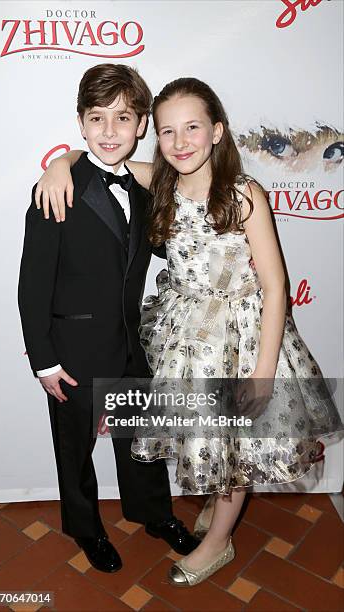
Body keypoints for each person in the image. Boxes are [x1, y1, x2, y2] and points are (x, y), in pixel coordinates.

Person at [35, 77, 343, 587]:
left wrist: (264, 373)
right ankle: (214, 513)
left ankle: (219, 541)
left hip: (241, 337)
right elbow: (99, 161)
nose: (180, 142)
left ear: (217, 131)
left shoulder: (245, 194)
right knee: (209, 440)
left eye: (193, 128)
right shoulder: (161, 184)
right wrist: (58, 162)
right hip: (184, 334)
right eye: (168, 131)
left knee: (236, 440)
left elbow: (275, 285)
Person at [18, 64, 198, 575]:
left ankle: (154, 515)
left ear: (142, 124)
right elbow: (32, 283)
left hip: (129, 344)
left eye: (123, 118)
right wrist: (44, 362)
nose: (110, 131)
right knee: (73, 451)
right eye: (97, 119)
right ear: (81, 123)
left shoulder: (145, 189)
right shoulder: (57, 188)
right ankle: (86, 528)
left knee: (139, 442)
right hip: (70, 351)